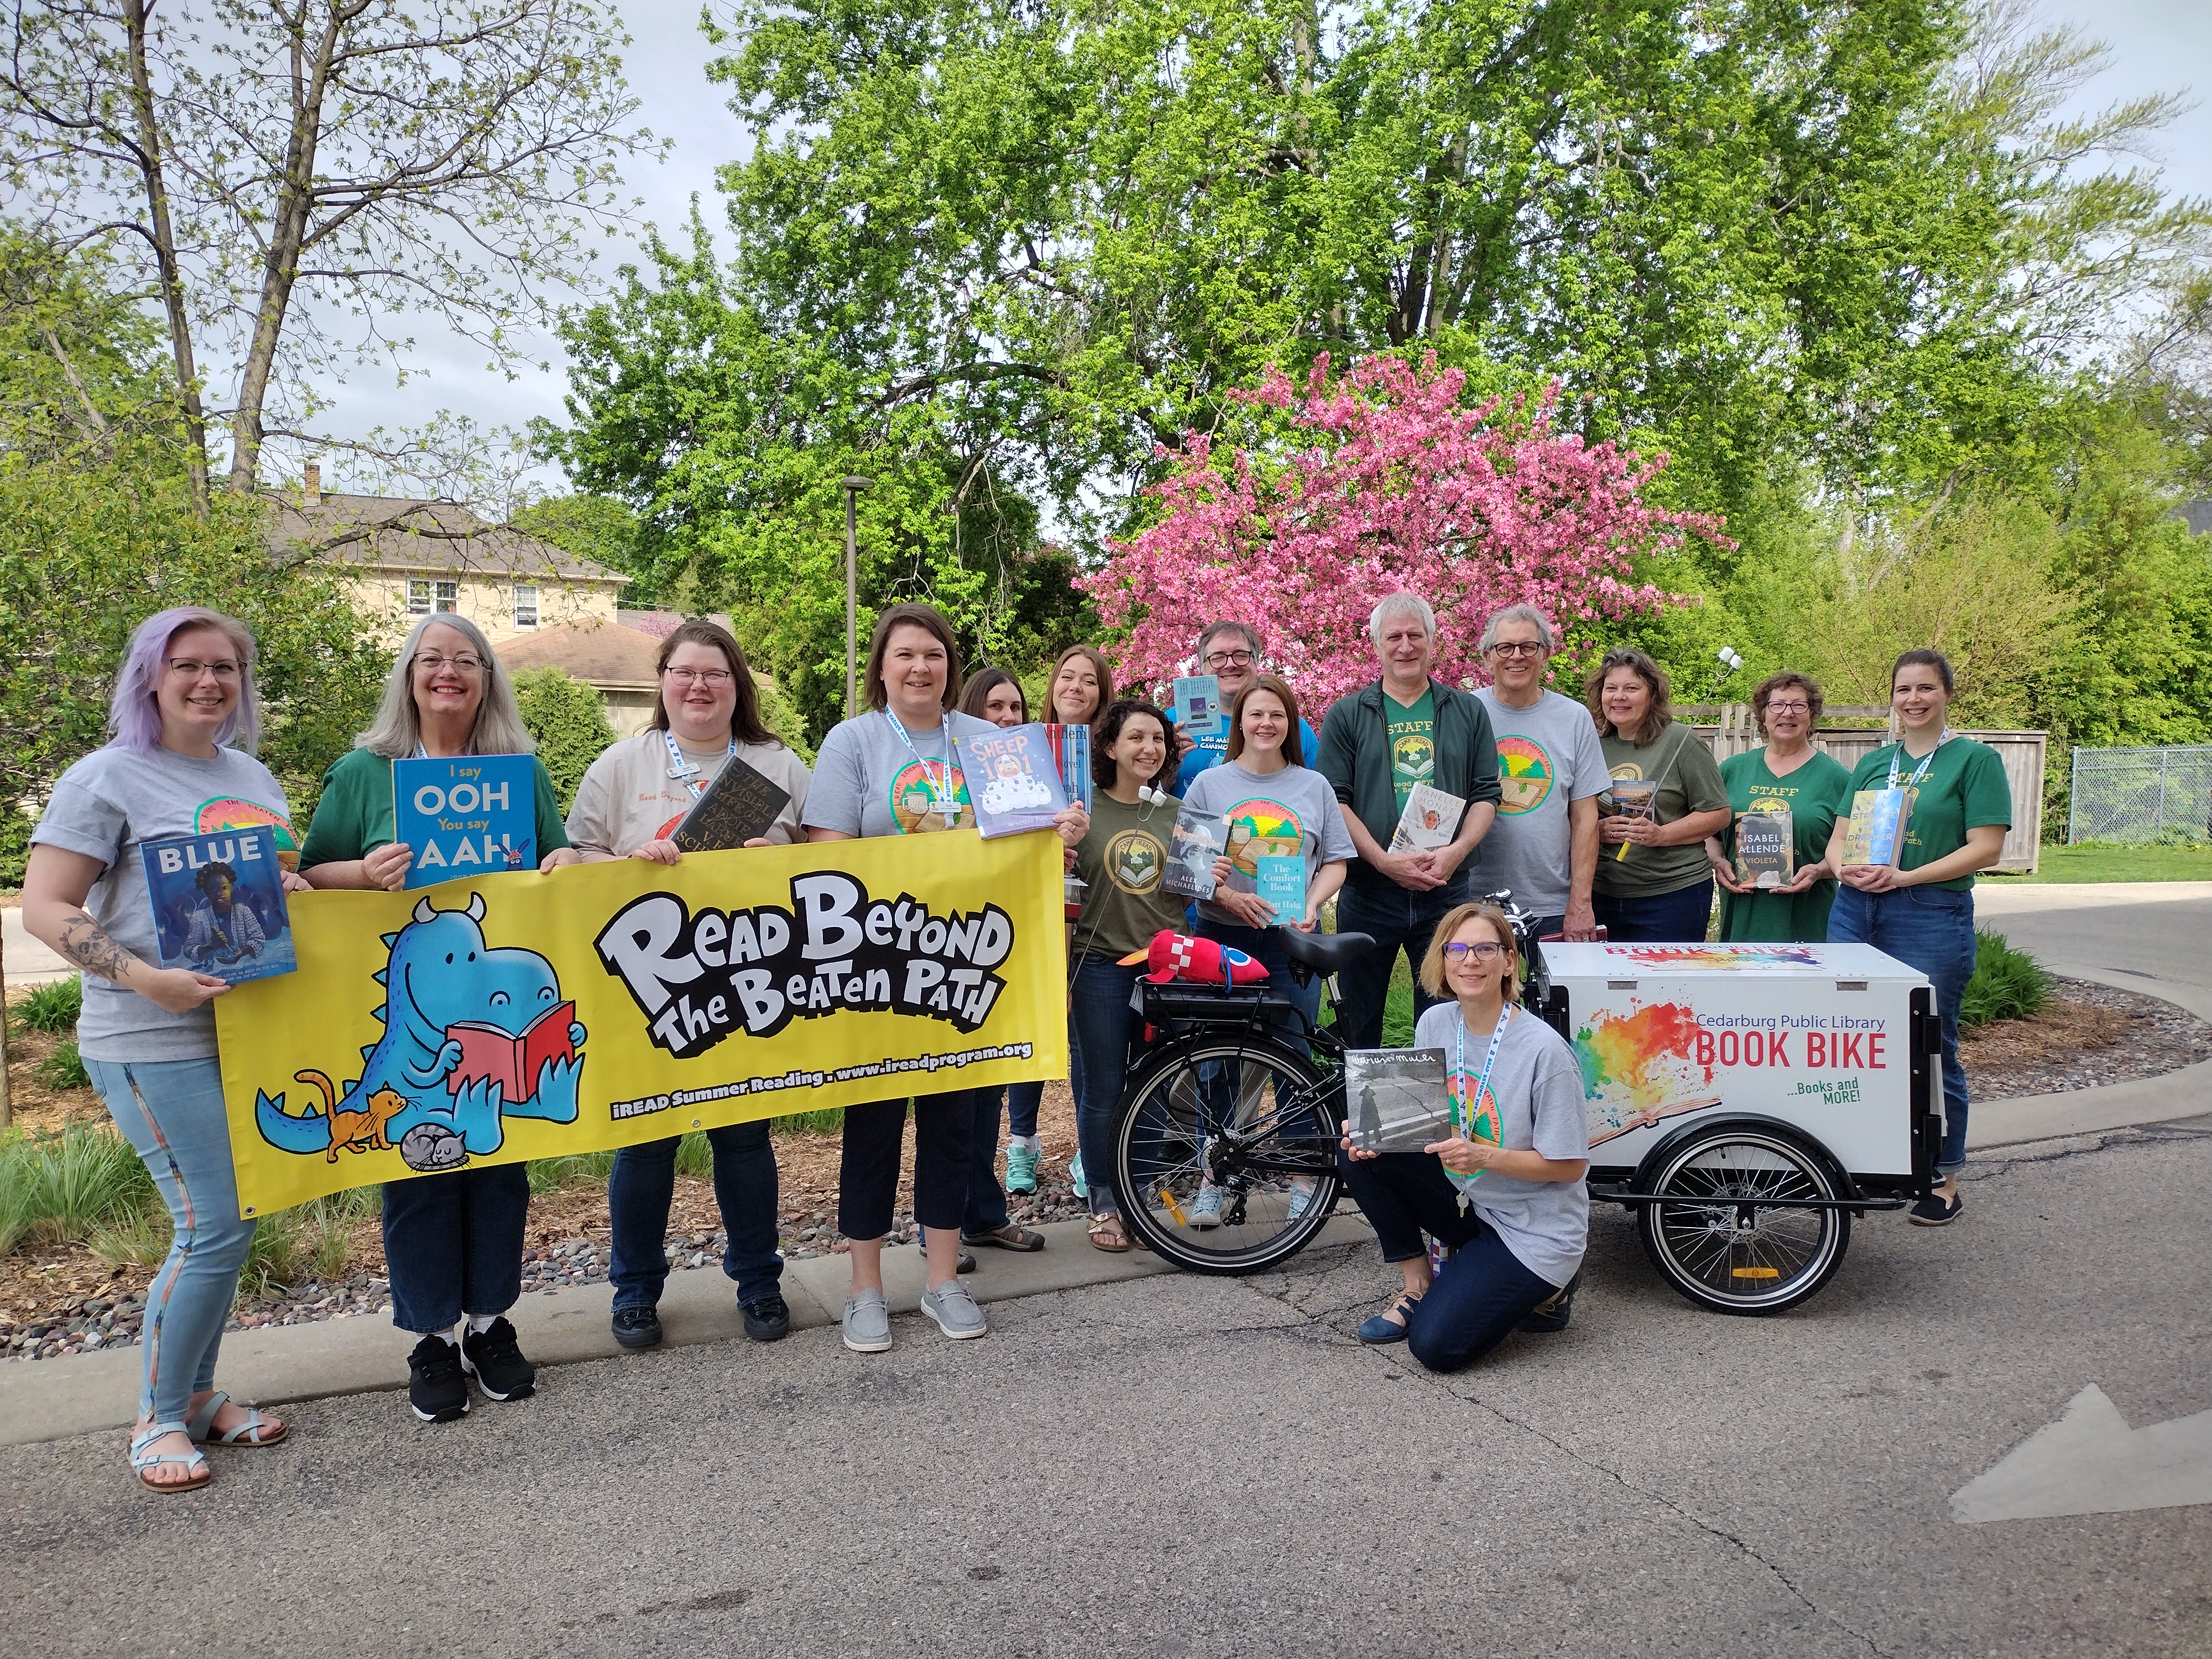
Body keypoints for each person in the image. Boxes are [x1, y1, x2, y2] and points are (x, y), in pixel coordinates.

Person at [24, 607, 305, 1489]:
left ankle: (196, 1396)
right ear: (152, 674)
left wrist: (290, 882)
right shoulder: (105, 778)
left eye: (226, 667)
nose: (209, 682)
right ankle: (155, 1419)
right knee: (209, 1224)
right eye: (188, 665)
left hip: (244, 1029)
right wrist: (146, 977)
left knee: (234, 1220)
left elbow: (270, 886)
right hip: (148, 1033)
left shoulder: (251, 775)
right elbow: (46, 908)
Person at [299, 613, 581, 1423]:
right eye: (434, 660)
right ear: (409, 675)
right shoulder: (365, 771)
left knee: (499, 1164)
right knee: (418, 1175)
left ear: (487, 678)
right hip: (414, 1011)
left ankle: (490, 1327)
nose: (449, 673)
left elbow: (555, 859)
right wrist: (360, 869)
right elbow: (312, 874)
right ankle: (430, 1338)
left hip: (498, 1014)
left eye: (467, 661)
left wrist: (562, 861)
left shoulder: (518, 775)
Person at [803, 603, 1086, 1352]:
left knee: (954, 1128)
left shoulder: (988, 741)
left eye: (933, 654)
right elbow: (828, 851)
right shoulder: (853, 741)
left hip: (967, 961)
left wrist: (1060, 831)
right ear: (882, 667)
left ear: (949, 665)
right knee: (872, 1128)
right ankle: (864, 1290)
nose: (920, 668)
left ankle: (941, 1280)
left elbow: (1030, 835)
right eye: (905, 655)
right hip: (875, 967)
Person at [565, 620, 812, 1353]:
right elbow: (577, 856)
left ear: (738, 686)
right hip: (650, 988)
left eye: (715, 673)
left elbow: (824, 856)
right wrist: (622, 862)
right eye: (684, 672)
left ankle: (760, 1283)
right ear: (663, 682)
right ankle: (635, 1293)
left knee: (744, 1140)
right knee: (645, 1145)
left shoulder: (777, 765)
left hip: (747, 981)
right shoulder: (619, 764)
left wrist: (777, 853)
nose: (699, 686)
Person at [1803, 649, 2010, 1227]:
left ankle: (1943, 1177)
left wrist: (1906, 875)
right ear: (1891, 697)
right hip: (1854, 910)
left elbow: (1986, 847)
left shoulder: (1974, 761)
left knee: (1931, 1044)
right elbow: (1838, 841)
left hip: (1927, 912)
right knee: (1850, 1039)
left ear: (1946, 694)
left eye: (1925, 689)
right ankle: (1860, 1154)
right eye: (1903, 691)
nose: (1913, 700)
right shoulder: (1874, 764)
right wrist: (1847, 871)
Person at [1339, 903, 1589, 1371]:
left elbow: (1570, 1167)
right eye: (1457, 949)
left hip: (1532, 1226)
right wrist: (1380, 1126)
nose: (1469, 960)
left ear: (1509, 962)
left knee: (1437, 1347)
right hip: (1467, 1198)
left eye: (1484, 949)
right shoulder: (1435, 1023)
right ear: (1443, 960)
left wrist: (1484, 1156)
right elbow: (1423, 1118)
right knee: (1359, 1153)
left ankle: (1552, 1286)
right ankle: (1419, 1286)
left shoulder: (1545, 1051)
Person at [1182, 674, 1354, 1223]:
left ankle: (1302, 1178)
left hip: (1289, 941)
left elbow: (1336, 861)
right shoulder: (1210, 784)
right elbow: (1183, 869)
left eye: (1276, 715)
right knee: (1217, 1060)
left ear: (1291, 723)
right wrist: (1226, 893)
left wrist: (1311, 902)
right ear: (1240, 723)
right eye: (1255, 714)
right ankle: (1216, 1175)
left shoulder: (1313, 786)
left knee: (1293, 1058)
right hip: (1222, 936)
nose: (1265, 724)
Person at [1317, 592, 1501, 1048]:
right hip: (1369, 891)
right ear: (1377, 645)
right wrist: (1382, 861)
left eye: (1415, 635)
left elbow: (1486, 794)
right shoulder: (1346, 714)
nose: (1405, 646)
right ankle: (1356, 1118)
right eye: (1393, 637)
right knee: (1358, 1020)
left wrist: (1456, 854)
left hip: (1446, 888)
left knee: (1445, 1016)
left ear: (1432, 642)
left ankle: (1445, 1116)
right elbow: (1335, 800)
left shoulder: (1466, 710)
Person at [1066, 698, 1187, 1251]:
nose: (1148, 749)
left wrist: (1215, 875)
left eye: (1158, 740)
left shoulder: (1177, 813)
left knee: (1156, 1088)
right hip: (1098, 967)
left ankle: (1139, 1197)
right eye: (1136, 738)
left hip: (1164, 967)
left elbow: (1191, 890)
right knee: (1104, 1091)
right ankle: (1104, 1203)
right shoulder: (1081, 810)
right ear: (1110, 747)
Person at [938, 669, 1052, 1232]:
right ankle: (944, 1221)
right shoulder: (950, 773)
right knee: (952, 1100)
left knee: (988, 1090)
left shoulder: (1032, 775)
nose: (1006, 718)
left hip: (1004, 937)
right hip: (943, 940)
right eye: (994, 707)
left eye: (1015, 708)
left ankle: (983, 1212)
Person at [1465, 604, 1608, 940]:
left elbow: (1586, 817)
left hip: (1552, 904)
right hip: (1470, 900)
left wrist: (1581, 902)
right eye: (1505, 647)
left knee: (1552, 995)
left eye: (1528, 647)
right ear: (1488, 657)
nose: (1517, 656)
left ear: (1545, 655)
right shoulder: (1465, 712)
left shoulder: (1574, 719)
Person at [1585, 648, 1731, 942]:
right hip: (1601, 893)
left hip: (1672, 895)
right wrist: (1597, 830)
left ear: (1652, 695)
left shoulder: (1681, 741)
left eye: (1631, 688)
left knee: (1666, 987)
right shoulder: (1591, 744)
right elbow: (1575, 811)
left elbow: (1718, 814)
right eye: (1611, 688)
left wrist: (1661, 835)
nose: (1619, 696)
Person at [1704, 672, 1853, 942]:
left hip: (1809, 915)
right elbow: (1708, 832)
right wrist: (1717, 860)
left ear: (1811, 715)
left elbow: (1852, 847)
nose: (1788, 713)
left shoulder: (1838, 778)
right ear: (1763, 715)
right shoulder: (1731, 771)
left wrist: (1819, 871)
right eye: (1778, 705)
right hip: (1743, 912)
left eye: (1799, 705)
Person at [1172, 620, 1319, 793]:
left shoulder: (1289, 727)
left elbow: (1314, 793)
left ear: (1256, 663)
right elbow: (1146, 795)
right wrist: (1169, 767)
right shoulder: (1173, 723)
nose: (1230, 665)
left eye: (1240, 655)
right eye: (1217, 657)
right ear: (1202, 667)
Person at [182, 861, 267, 968]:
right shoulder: (199, 917)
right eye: (213, 890)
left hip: (244, 966)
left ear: (231, 888)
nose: (219, 894)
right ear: (206, 892)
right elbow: (189, 950)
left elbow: (259, 939)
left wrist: (240, 954)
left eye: (224, 888)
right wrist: (211, 946)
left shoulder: (244, 911)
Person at [1046, 645, 1113, 727]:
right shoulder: (1028, 738)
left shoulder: (1118, 740)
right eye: (1067, 677)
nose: (1076, 687)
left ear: (1102, 696)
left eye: (1089, 681)